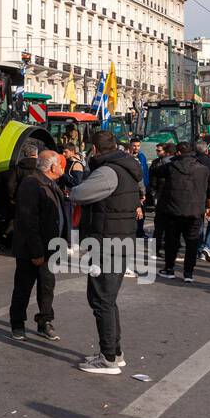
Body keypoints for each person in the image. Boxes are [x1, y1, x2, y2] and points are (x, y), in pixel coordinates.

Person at [69, 130, 143, 374]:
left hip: (107, 242)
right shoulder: (126, 167)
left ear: (94, 149)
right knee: (107, 299)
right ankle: (115, 352)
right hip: (119, 239)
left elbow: (79, 194)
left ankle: (108, 358)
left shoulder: (108, 171)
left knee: (100, 299)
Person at [10, 149, 65, 341]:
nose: (61, 167)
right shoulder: (32, 184)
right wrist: (36, 251)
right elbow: (28, 221)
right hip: (32, 250)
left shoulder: (51, 184)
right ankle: (17, 324)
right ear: (51, 167)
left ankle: (45, 321)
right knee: (23, 287)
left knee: (47, 287)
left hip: (50, 248)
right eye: (59, 164)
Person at [155, 142, 210, 283]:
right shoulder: (203, 169)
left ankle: (169, 268)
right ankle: (188, 273)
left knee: (172, 241)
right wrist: (209, 207)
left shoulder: (170, 167)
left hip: (173, 210)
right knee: (192, 242)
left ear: (178, 153)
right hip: (195, 211)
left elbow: (155, 171)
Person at [129, 136, 150, 239]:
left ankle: (140, 232)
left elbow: (144, 174)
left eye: (138, 146)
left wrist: (145, 190)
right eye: (134, 146)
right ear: (130, 146)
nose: (136, 148)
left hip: (142, 189)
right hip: (131, 189)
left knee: (142, 213)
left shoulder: (142, 157)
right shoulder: (127, 157)